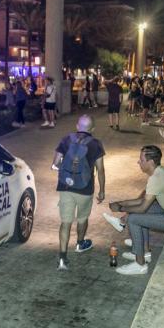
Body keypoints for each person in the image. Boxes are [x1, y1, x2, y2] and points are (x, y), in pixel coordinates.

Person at [105, 145, 164, 275]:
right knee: (141, 213)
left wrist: (120, 208)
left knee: (134, 219)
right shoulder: (160, 172)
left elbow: (142, 207)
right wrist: (121, 203)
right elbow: (142, 201)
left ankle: (140, 264)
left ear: (151, 162)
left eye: (141, 160)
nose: (138, 162)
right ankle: (144, 252)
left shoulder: (156, 178)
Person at [52, 115, 105, 270]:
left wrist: (67, 169)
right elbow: (101, 170)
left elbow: (55, 163)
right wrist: (102, 190)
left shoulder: (66, 140)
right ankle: (80, 244)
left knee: (65, 222)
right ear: (92, 129)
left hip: (65, 187)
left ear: (77, 126)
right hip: (85, 188)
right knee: (82, 218)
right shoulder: (96, 144)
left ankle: (62, 258)